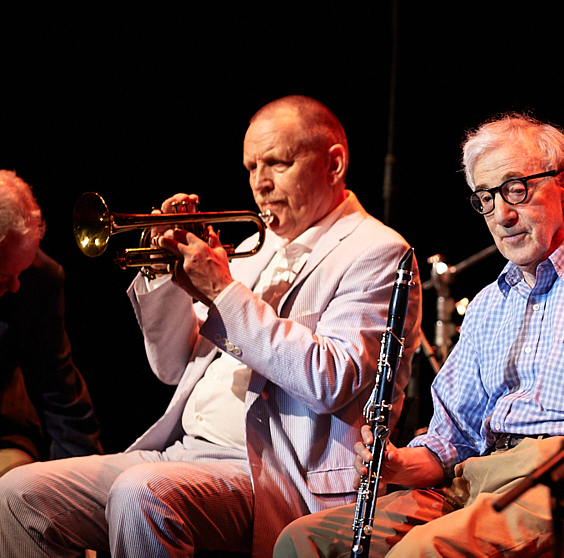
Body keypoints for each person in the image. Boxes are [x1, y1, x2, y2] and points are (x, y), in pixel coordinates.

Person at [272, 112, 564, 558]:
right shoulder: (490, 302)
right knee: (302, 541)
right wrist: (396, 463)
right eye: (485, 197)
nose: (502, 214)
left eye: (516, 189)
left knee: (422, 552)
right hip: (481, 479)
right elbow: (454, 438)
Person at [0, 95, 422, 558]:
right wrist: (170, 276)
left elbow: (332, 380)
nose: (260, 184)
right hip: (181, 453)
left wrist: (222, 290)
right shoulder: (253, 248)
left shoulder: (376, 253)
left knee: (143, 492)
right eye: (251, 167)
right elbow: (171, 366)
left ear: (334, 163)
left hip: (275, 473)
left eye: (277, 164)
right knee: (19, 494)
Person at [0, 170, 103, 477]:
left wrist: (87, 487)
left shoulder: (40, 278)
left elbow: (59, 392)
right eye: (5, 277)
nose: (17, 286)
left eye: (23, 271)